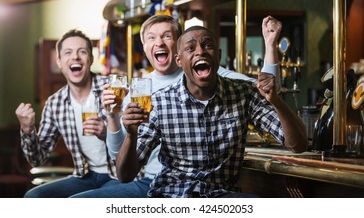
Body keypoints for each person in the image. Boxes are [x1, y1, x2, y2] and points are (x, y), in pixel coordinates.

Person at [72, 14, 281, 198]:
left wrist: (270, 46)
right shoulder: (138, 89)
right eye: (151, 38)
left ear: (179, 46)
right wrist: (113, 117)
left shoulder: (202, 74)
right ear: (144, 47)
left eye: (167, 36)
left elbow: (264, 88)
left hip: (198, 185)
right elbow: (118, 156)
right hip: (149, 181)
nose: (159, 43)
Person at [115, 24, 308, 198]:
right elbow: (125, 176)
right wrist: (131, 134)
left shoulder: (244, 94)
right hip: (172, 195)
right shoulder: (159, 102)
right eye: (191, 48)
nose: (200, 51)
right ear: (179, 60)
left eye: (207, 46)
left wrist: (276, 101)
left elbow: (298, 145)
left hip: (221, 195)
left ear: (219, 55)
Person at [15, 29, 120, 198]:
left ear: (91, 59)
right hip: (85, 176)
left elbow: (138, 141)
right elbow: (37, 159)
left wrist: (107, 133)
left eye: (82, 52)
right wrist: (27, 130)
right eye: (68, 53)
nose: (75, 57)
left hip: (120, 175)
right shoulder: (55, 103)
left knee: (76, 203)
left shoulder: (112, 88)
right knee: (33, 197)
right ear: (59, 61)